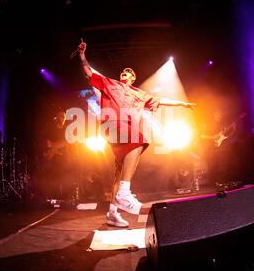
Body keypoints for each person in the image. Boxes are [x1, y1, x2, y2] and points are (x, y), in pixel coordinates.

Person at [78, 41, 195, 227]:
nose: (126, 73)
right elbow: (88, 71)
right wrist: (82, 55)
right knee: (139, 140)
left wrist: (181, 103)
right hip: (115, 123)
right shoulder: (110, 84)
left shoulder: (139, 94)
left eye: (129, 72)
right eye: (124, 71)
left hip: (125, 131)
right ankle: (124, 193)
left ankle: (112, 213)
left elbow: (161, 100)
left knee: (119, 171)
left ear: (133, 78)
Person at [200, 108, 238, 187]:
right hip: (214, 149)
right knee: (215, 167)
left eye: (221, 114)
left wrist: (234, 129)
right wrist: (212, 136)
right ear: (214, 114)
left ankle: (221, 183)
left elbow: (227, 136)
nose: (220, 115)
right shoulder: (210, 124)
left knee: (225, 166)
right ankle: (215, 183)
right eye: (218, 114)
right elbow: (202, 136)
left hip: (224, 148)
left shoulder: (223, 124)